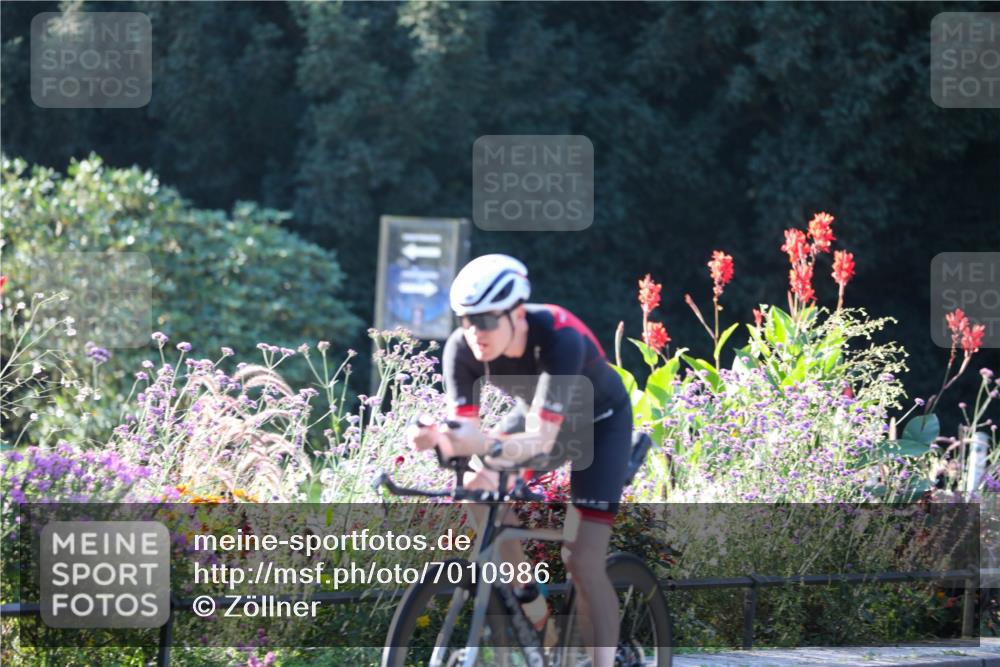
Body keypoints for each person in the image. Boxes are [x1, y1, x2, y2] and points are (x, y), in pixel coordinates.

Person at [407, 254, 632, 667]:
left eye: (488, 320)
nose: (476, 332)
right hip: (538, 415)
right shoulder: (462, 349)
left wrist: (487, 449)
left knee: (581, 560)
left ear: (517, 314)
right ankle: (529, 600)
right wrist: (438, 436)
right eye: (466, 320)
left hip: (599, 423)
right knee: (477, 489)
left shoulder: (560, 336)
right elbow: (467, 431)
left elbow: (544, 438)